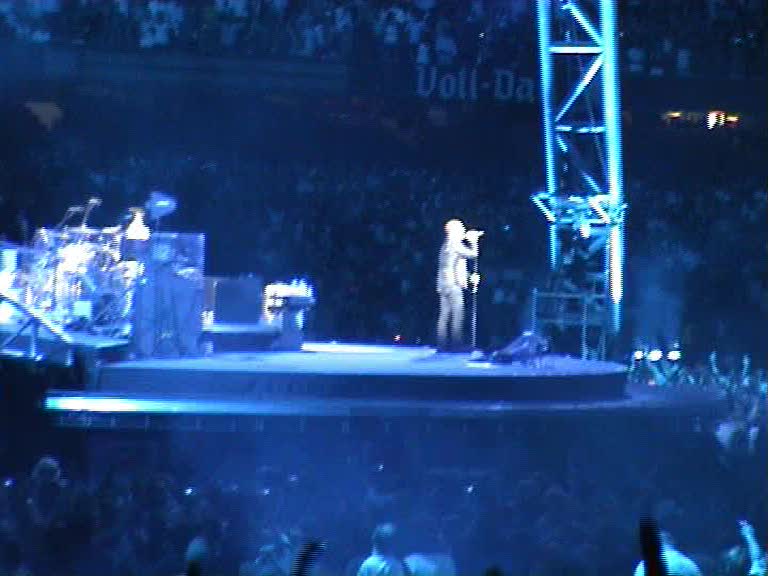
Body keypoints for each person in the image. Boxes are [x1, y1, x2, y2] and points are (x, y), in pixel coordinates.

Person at [436, 219, 482, 351]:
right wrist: (474, 242)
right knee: (458, 314)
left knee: (445, 314)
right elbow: (473, 254)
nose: (463, 231)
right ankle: (456, 344)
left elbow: (456, 265)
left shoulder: (446, 245)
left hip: (444, 283)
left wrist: (469, 277)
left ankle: (442, 344)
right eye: (461, 229)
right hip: (452, 284)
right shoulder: (455, 244)